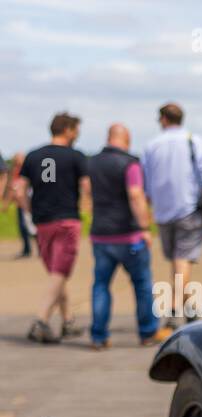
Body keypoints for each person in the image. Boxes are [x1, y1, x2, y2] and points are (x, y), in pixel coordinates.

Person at [87, 124, 168, 350]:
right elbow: (135, 195)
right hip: (129, 236)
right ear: (127, 139)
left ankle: (98, 336)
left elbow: (86, 191)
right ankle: (148, 332)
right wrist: (144, 227)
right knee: (142, 284)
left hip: (101, 236)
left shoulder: (91, 162)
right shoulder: (130, 163)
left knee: (101, 285)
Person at [16, 114, 89, 343]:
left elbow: (19, 190)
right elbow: (87, 186)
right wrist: (88, 207)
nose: (77, 134)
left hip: (42, 222)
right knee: (60, 273)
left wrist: (29, 211)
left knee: (56, 274)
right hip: (67, 220)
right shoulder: (76, 156)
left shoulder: (33, 155)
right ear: (67, 130)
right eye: (76, 130)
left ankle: (67, 321)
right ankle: (42, 320)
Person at [141, 102, 202, 324]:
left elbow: (145, 181)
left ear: (163, 119)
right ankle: (175, 310)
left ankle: (187, 306)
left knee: (176, 261)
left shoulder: (151, 145)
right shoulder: (195, 141)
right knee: (183, 260)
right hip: (189, 209)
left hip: (162, 211)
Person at [0, 151, 33, 258]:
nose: (17, 162)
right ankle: (27, 249)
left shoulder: (28, 171)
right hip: (20, 204)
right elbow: (11, 189)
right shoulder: (14, 172)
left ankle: (42, 249)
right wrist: (6, 203)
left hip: (29, 204)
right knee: (23, 227)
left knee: (31, 227)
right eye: (16, 160)